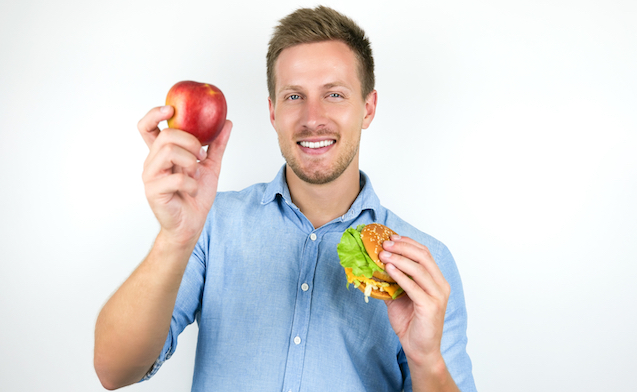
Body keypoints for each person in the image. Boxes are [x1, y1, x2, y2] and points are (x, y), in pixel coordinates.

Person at [94, 6, 475, 392]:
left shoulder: (426, 265)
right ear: (273, 112)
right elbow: (114, 371)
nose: (313, 117)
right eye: (294, 96)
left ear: (368, 108)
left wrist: (427, 361)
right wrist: (173, 239)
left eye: (335, 94)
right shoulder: (211, 224)